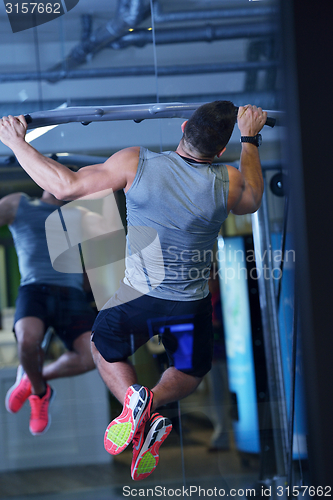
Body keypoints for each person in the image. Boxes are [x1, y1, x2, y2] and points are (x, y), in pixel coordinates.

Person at [0, 101, 266, 479]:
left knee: (101, 346)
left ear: (184, 127)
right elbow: (254, 199)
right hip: (189, 305)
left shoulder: (137, 163)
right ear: (222, 151)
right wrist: (251, 139)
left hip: (140, 299)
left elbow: (65, 185)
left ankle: (133, 401)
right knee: (190, 373)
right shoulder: (229, 181)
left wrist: (15, 141)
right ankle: (149, 402)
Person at [0, 190, 96, 436]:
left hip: (72, 293)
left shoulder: (79, 215)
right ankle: (39, 391)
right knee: (28, 339)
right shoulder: (19, 203)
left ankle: (34, 381)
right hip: (35, 289)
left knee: (92, 357)